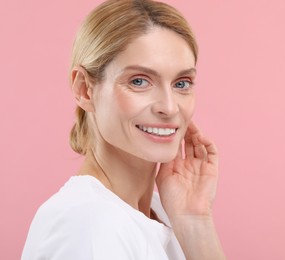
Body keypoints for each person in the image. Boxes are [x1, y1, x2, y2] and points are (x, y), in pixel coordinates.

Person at [21, 0, 225, 259]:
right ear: (85, 89)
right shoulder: (87, 225)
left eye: (181, 83)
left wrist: (195, 221)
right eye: (139, 81)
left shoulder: (160, 211)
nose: (170, 107)